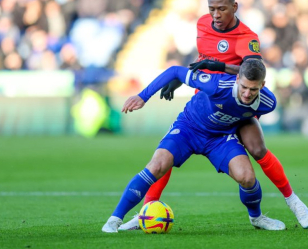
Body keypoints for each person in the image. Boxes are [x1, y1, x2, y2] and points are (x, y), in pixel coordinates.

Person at [120, 0, 308, 230]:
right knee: (166, 154)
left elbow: (252, 73)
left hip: (238, 100)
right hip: (207, 100)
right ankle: (146, 211)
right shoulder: (202, 24)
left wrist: (221, 67)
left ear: (234, 7)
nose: (216, 14)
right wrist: (178, 81)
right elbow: (202, 63)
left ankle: (292, 201)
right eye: (211, 9)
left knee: (257, 148)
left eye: (222, 9)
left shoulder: (247, 37)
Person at [102, 60, 286, 232]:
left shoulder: (268, 103)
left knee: (247, 177)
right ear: (237, 78)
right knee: (157, 165)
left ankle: (257, 218)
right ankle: (114, 220)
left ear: (262, 86)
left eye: (253, 89)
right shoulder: (216, 85)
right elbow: (175, 71)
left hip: (220, 138)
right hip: (189, 128)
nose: (247, 93)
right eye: (244, 87)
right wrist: (143, 96)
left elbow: (248, 116)